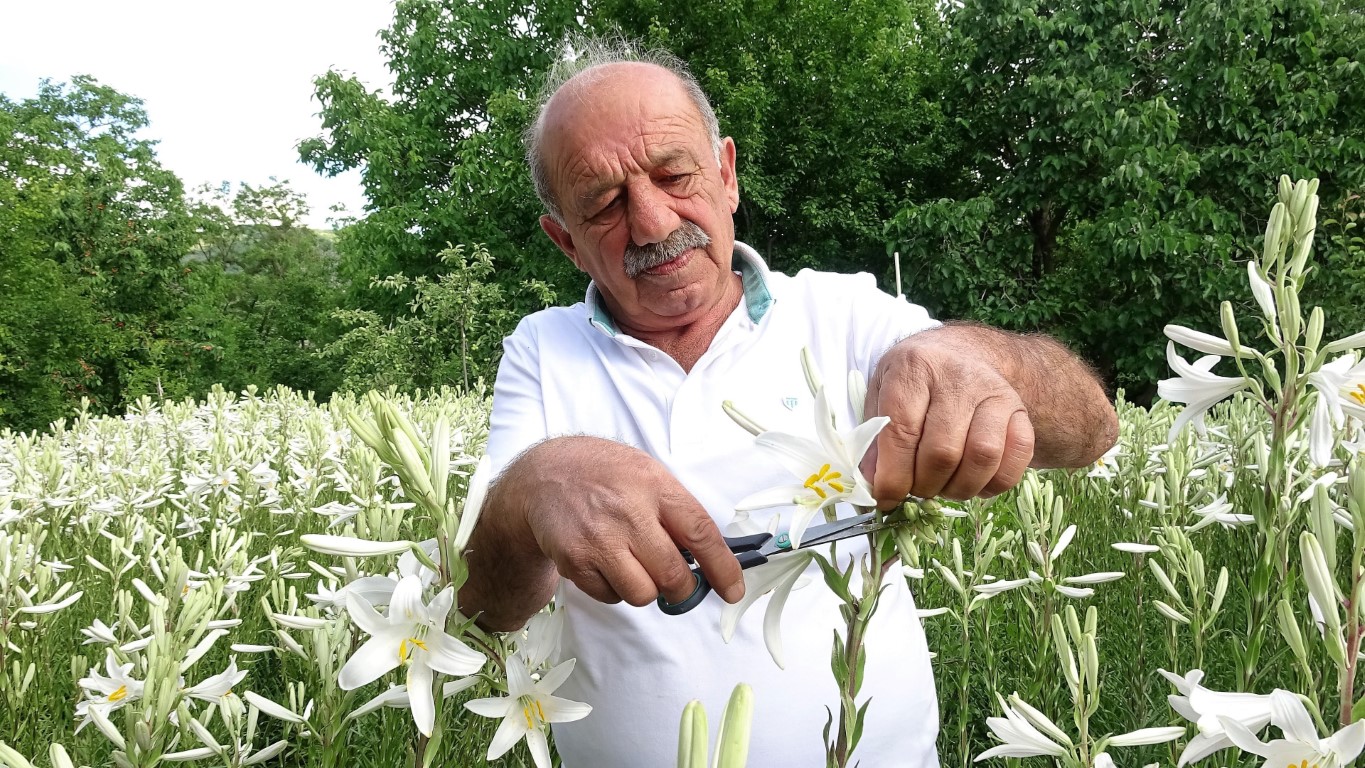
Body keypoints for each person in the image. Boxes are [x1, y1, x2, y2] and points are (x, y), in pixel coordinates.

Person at [460, 38, 1118, 767]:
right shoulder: (542, 350)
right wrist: (530, 493)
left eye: (673, 174)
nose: (651, 222)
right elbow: (485, 608)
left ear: (727, 174)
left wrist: (980, 359)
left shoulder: (843, 314)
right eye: (605, 204)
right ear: (566, 244)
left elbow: (1092, 430)